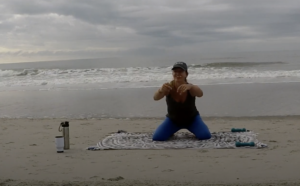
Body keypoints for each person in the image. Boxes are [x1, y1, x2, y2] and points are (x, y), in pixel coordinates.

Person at [152, 61, 211, 141]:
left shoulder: (190, 88)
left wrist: (191, 87)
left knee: (205, 136)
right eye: (175, 71)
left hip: (192, 120)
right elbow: (155, 98)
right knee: (157, 137)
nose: (178, 73)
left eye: (181, 71)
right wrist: (161, 90)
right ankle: (170, 131)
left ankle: (195, 128)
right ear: (172, 73)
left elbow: (200, 94)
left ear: (186, 74)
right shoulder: (168, 87)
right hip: (173, 120)